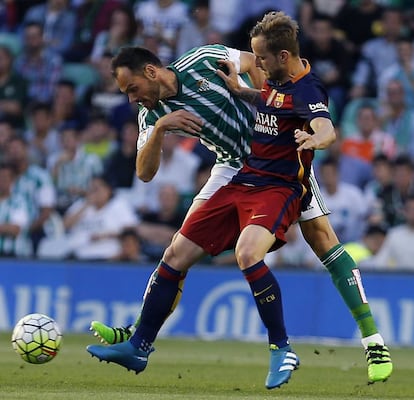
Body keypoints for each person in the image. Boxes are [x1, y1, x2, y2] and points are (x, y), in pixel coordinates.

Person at [88, 12, 392, 385]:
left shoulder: (203, 61)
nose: (132, 99)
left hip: (279, 161)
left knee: (323, 242)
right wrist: (160, 130)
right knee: (177, 250)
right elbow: (145, 173)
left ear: (151, 72)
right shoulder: (152, 115)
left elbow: (250, 61)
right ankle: (138, 336)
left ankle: (373, 342)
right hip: (233, 167)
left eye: (132, 89)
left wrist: (271, 106)